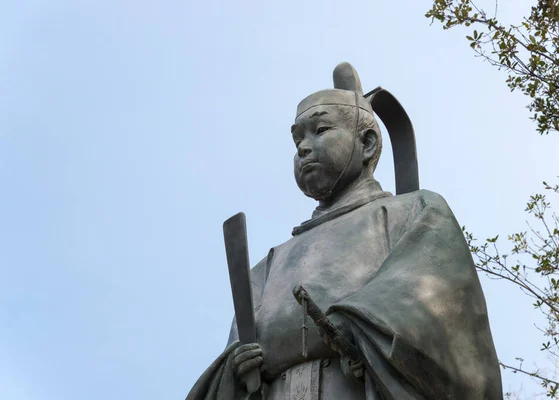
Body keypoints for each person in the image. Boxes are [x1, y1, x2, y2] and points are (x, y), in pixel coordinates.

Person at [186, 62, 503, 400]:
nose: (304, 148)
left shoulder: (413, 213)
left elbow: (441, 309)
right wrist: (238, 369)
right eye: (297, 140)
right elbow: (236, 363)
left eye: (320, 130)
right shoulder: (268, 267)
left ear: (366, 143)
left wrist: (363, 326)